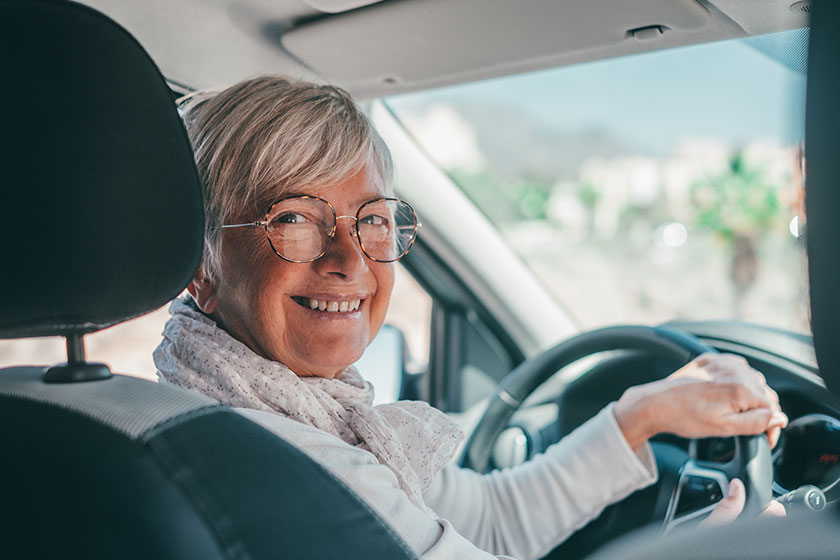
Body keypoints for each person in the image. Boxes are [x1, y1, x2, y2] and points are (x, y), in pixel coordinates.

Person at [154, 75, 787, 559]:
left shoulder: (175, 413)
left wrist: (644, 415)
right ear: (201, 265)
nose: (351, 259)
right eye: (292, 219)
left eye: (371, 220)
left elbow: (489, 522)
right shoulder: (292, 466)